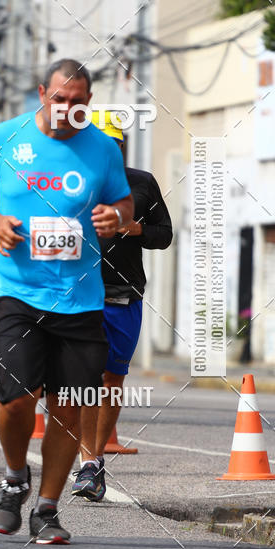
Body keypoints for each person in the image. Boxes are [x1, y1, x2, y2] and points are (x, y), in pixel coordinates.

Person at [0, 59, 133, 544]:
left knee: (70, 407)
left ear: (88, 102)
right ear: (42, 94)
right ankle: (15, 476)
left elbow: (123, 201)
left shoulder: (103, 148)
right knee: (16, 401)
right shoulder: (7, 136)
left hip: (80, 300)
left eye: (77, 102)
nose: (67, 108)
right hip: (16, 291)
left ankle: (48, 509)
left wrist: (116, 217)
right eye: (59, 99)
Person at [72, 112, 173, 501]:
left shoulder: (142, 183)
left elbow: (165, 234)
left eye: (113, 144)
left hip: (124, 294)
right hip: (80, 295)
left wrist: (137, 229)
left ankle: (95, 460)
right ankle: (87, 462)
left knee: (112, 379)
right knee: (84, 380)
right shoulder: (70, 183)